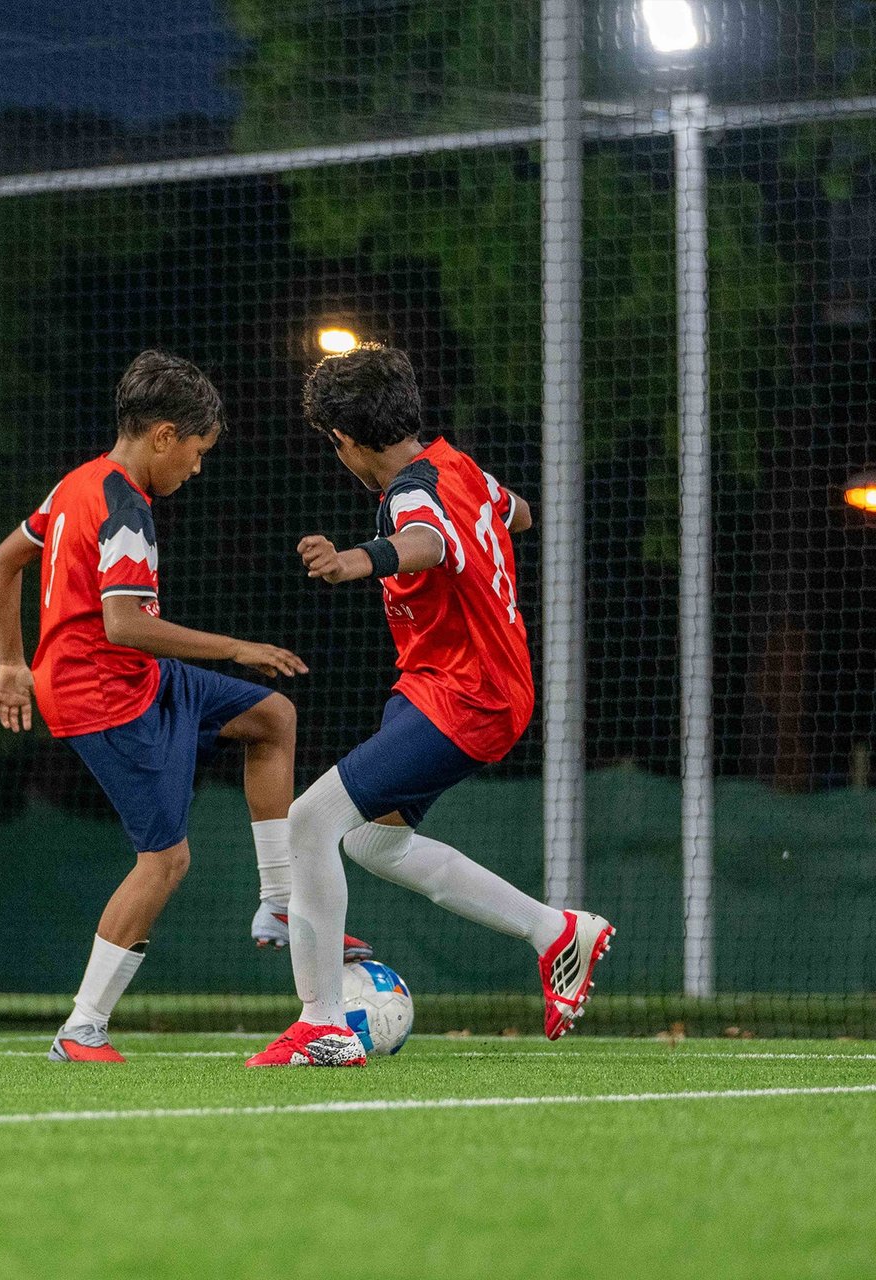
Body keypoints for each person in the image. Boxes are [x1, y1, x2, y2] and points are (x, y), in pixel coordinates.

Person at [248, 342, 612, 1068]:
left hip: (465, 696)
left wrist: (358, 558)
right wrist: (491, 527)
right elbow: (520, 512)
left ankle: (321, 1024)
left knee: (313, 821)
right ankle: (555, 932)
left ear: (347, 443)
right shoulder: (462, 467)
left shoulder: (410, 495)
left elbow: (424, 539)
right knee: (369, 841)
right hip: (447, 688)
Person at [0, 349, 319, 1063]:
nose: (195, 470)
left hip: (139, 677)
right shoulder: (125, 508)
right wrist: (234, 646)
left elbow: (1, 560)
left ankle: (279, 901)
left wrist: (13, 664)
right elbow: (124, 624)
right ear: (164, 435)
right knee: (165, 861)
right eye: (195, 453)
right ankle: (81, 1028)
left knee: (273, 717)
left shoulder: (74, 485)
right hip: (100, 698)